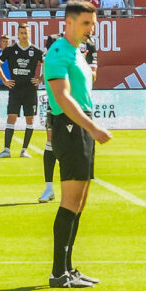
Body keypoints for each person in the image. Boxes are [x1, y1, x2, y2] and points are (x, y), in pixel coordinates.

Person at [44, 0, 112, 288]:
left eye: (93, 24)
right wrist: (92, 127)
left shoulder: (76, 52)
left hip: (79, 127)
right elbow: (62, 97)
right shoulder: (59, 52)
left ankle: (68, 269)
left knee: (79, 202)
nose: (91, 29)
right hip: (70, 127)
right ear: (68, 22)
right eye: (86, 23)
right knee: (70, 202)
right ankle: (58, 273)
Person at [40, 30, 99, 202]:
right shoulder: (54, 40)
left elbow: (93, 76)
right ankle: (49, 188)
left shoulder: (90, 44)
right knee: (50, 142)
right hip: (58, 103)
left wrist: (80, 64)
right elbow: (48, 72)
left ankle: (72, 194)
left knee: (79, 151)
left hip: (79, 105)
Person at [0, 23, 44, 159]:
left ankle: (24, 150)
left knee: (30, 119)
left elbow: (49, 64)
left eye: (26, 32)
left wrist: (40, 79)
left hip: (30, 90)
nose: (24, 35)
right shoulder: (11, 49)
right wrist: (5, 80)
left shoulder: (36, 50)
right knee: (11, 117)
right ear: (17, 34)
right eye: (21, 33)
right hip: (15, 89)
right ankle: (6, 150)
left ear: (29, 34)